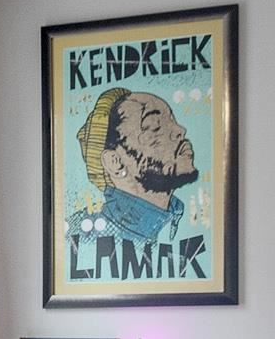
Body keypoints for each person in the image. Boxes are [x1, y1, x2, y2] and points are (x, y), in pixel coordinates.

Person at [73, 86, 200, 245]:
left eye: (172, 121)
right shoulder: (81, 237)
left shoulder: (181, 223)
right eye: (154, 126)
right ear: (115, 162)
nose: (180, 130)